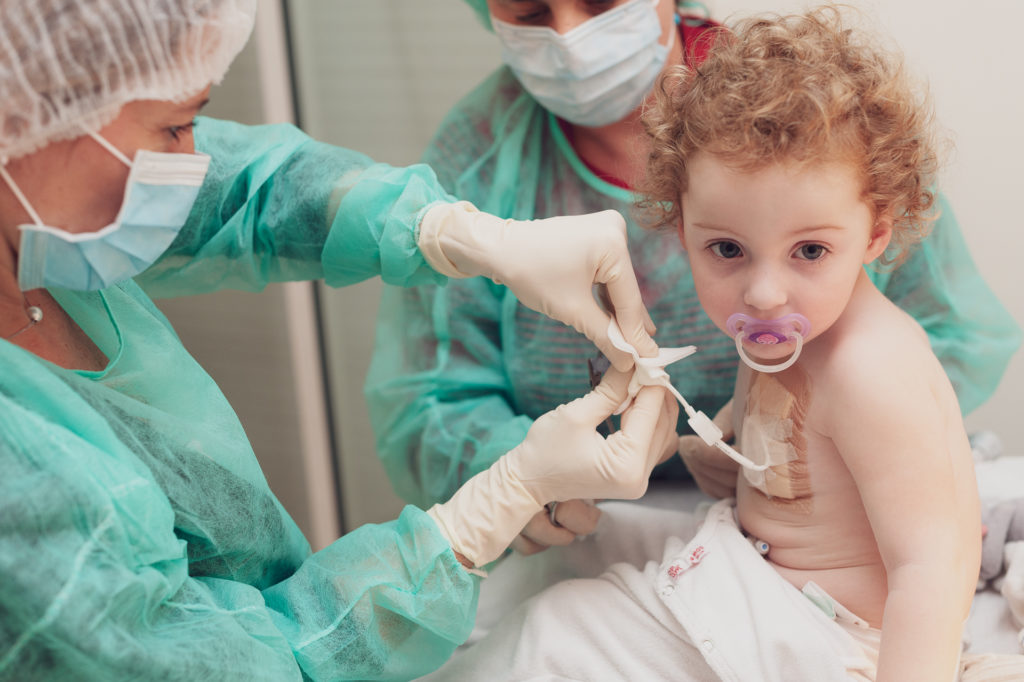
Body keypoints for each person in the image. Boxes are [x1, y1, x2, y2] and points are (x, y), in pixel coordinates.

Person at [0, 1, 680, 679]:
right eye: (177, 125)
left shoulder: (41, 227)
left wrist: (450, 232)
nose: (194, 160)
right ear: (24, 121)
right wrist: (488, 509)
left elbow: (251, 193)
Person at [421, 8, 984, 680]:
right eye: (727, 250)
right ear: (679, 227)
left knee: (553, 631)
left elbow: (934, 566)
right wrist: (719, 452)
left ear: (876, 234)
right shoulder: (796, 332)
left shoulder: (870, 369)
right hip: (756, 573)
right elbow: (792, 448)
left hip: (821, 629)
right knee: (540, 576)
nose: (765, 294)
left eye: (809, 250)